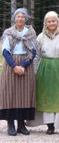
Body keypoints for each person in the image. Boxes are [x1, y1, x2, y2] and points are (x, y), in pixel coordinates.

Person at [34, 11, 59, 135]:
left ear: (58, 22)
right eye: (49, 21)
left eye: (54, 21)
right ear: (46, 23)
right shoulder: (40, 37)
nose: (51, 23)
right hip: (45, 69)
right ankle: (50, 126)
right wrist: (34, 72)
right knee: (47, 97)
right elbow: (36, 55)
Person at [0, 8, 37, 136]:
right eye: (18, 16)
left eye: (23, 17)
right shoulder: (8, 32)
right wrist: (14, 66)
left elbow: (34, 51)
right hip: (10, 65)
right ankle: (11, 124)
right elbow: (5, 51)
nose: (20, 19)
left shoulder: (30, 32)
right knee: (10, 94)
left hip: (26, 64)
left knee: (25, 95)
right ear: (14, 19)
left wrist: (23, 65)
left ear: (26, 19)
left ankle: (21, 125)